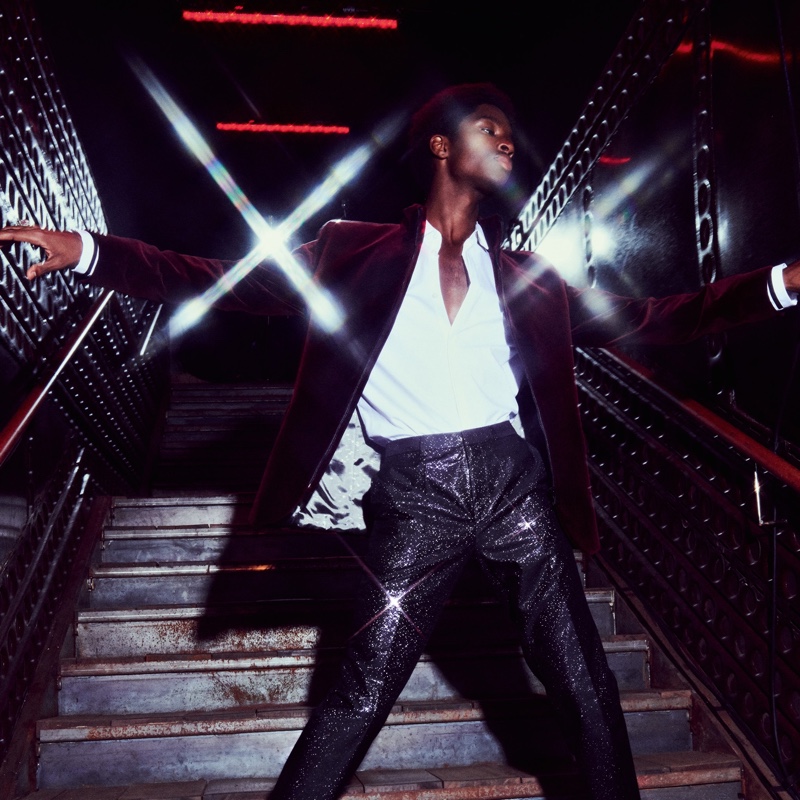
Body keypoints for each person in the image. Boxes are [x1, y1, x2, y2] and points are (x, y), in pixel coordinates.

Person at [2, 84, 799, 800]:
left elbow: (656, 319)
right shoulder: (353, 252)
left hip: (514, 488)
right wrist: (91, 252)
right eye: (487, 127)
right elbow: (219, 278)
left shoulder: (526, 276)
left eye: (511, 133)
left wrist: (779, 285)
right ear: (441, 146)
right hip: (415, 497)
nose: (506, 141)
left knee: (584, 680)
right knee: (360, 692)